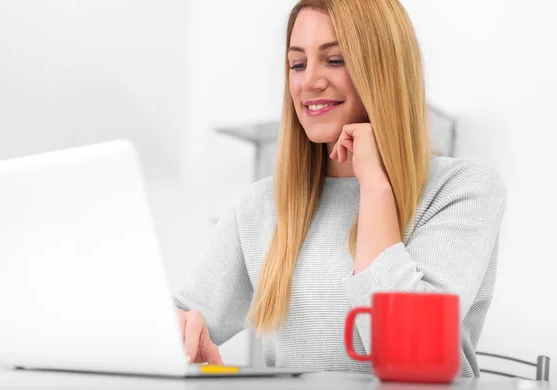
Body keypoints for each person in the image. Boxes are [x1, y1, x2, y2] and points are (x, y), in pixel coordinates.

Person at [174, 0, 507, 378]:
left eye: (335, 60)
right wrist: (180, 333)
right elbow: (184, 314)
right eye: (297, 64)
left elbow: (411, 358)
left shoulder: (462, 189)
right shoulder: (261, 207)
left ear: (384, 70)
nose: (309, 81)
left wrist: (375, 187)